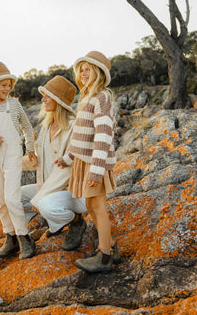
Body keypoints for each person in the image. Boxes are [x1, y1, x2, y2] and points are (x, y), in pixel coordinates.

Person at [56, 51, 118, 273]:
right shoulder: (86, 97)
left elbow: (103, 136)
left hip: (96, 162)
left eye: (88, 69)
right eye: (80, 69)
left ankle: (104, 257)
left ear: (99, 73)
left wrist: (96, 170)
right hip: (85, 160)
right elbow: (82, 136)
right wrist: (68, 158)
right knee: (91, 205)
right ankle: (110, 246)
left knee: (98, 207)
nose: (83, 73)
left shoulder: (102, 98)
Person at [0, 61, 37, 260]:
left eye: (9, 84)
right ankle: (10, 238)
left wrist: (30, 149)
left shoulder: (14, 104)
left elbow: (27, 128)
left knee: (12, 198)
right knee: (2, 201)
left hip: (13, 155)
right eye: (3, 85)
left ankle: (24, 237)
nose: (7, 88)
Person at [21, 75, 87, 251]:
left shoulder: (74, 127)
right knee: (13, 197)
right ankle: (27, 236)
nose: (42, 99)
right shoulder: (46, 127)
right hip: (48, 187)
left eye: (46, 95)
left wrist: (40, 197)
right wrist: (10, 166)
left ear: (58, 100)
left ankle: (76, 222)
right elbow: (37, 160)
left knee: (45, 204)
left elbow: (66, 171)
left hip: (72, 191)